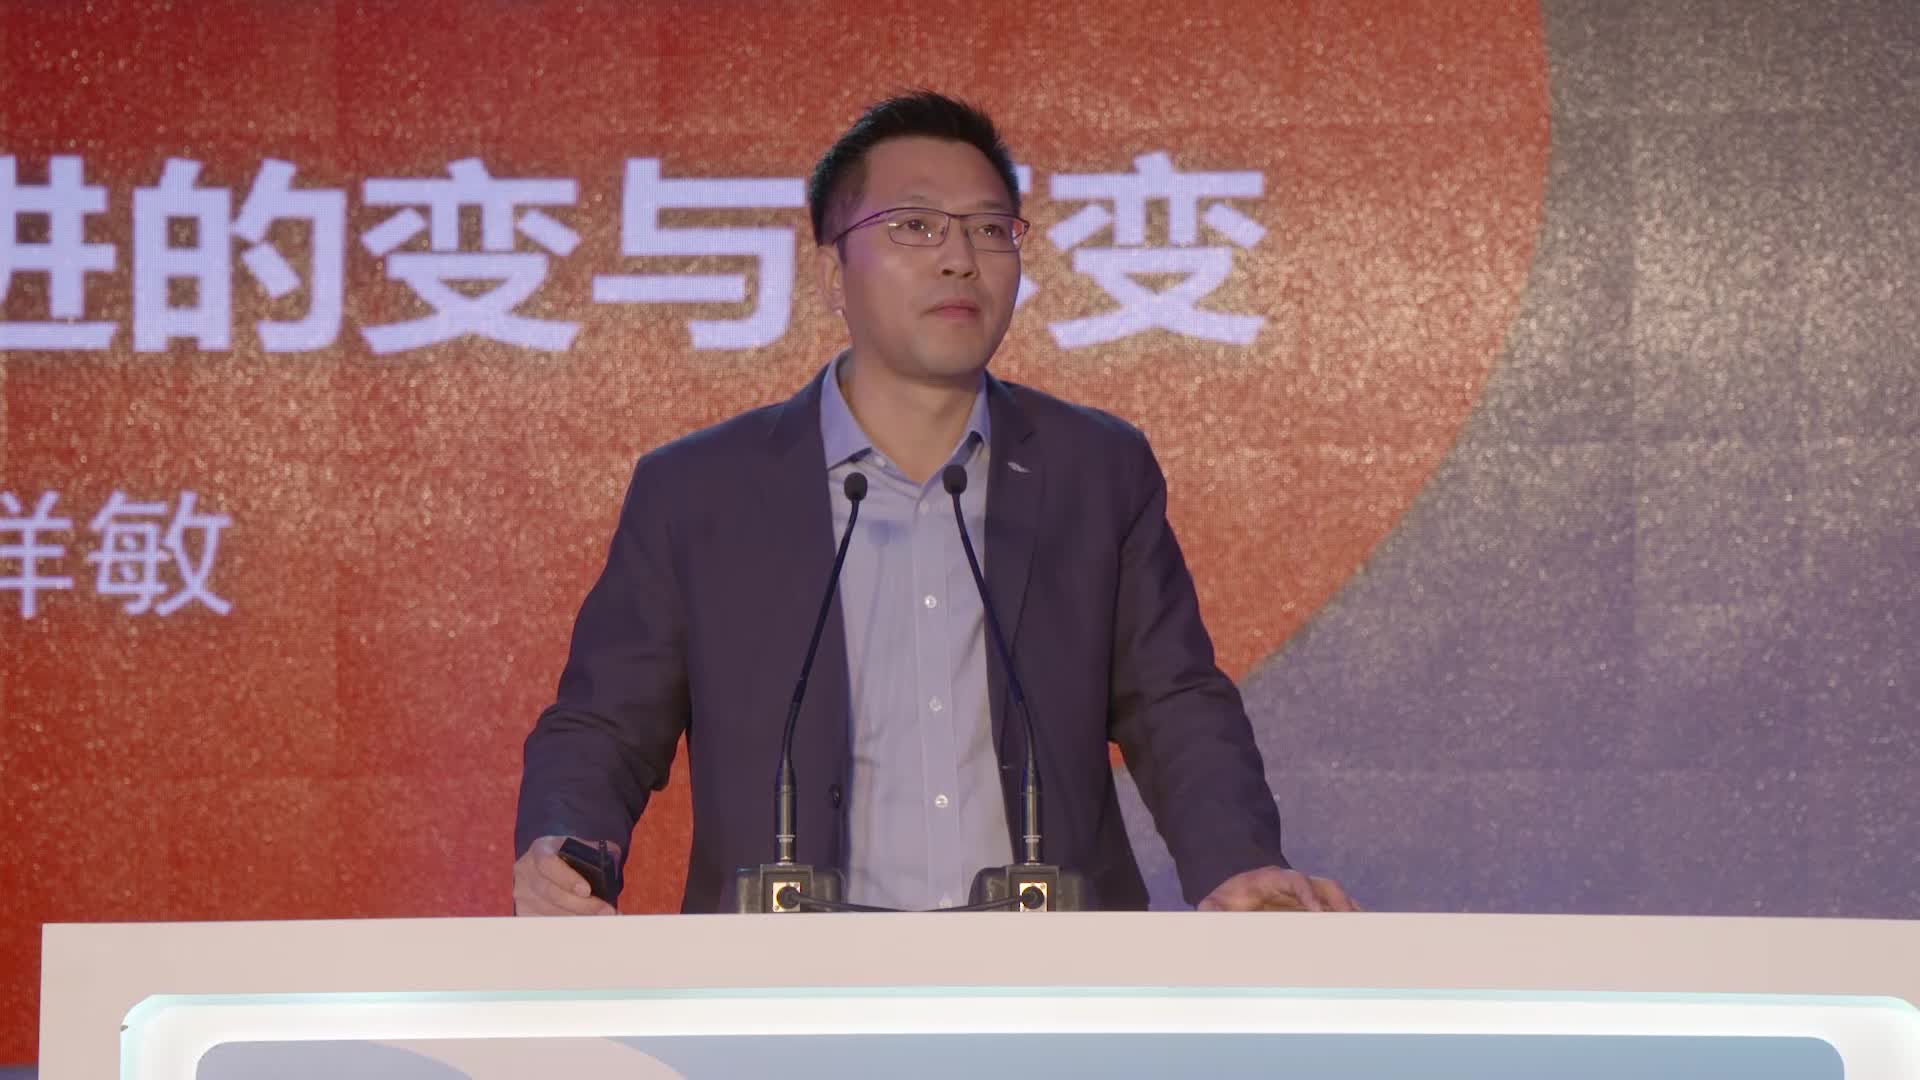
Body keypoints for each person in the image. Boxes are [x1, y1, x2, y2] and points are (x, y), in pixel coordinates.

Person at [513, 91, 1356, 916]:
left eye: (990, 229)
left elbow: (1173, 700)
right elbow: (605, 723)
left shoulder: (1096, 469)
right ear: (832, 273)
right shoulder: (702, 490)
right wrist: (567, 847)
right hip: (785, 970)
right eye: (914, 226)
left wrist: (1239, 862)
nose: (960, 258)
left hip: (1051, 966)